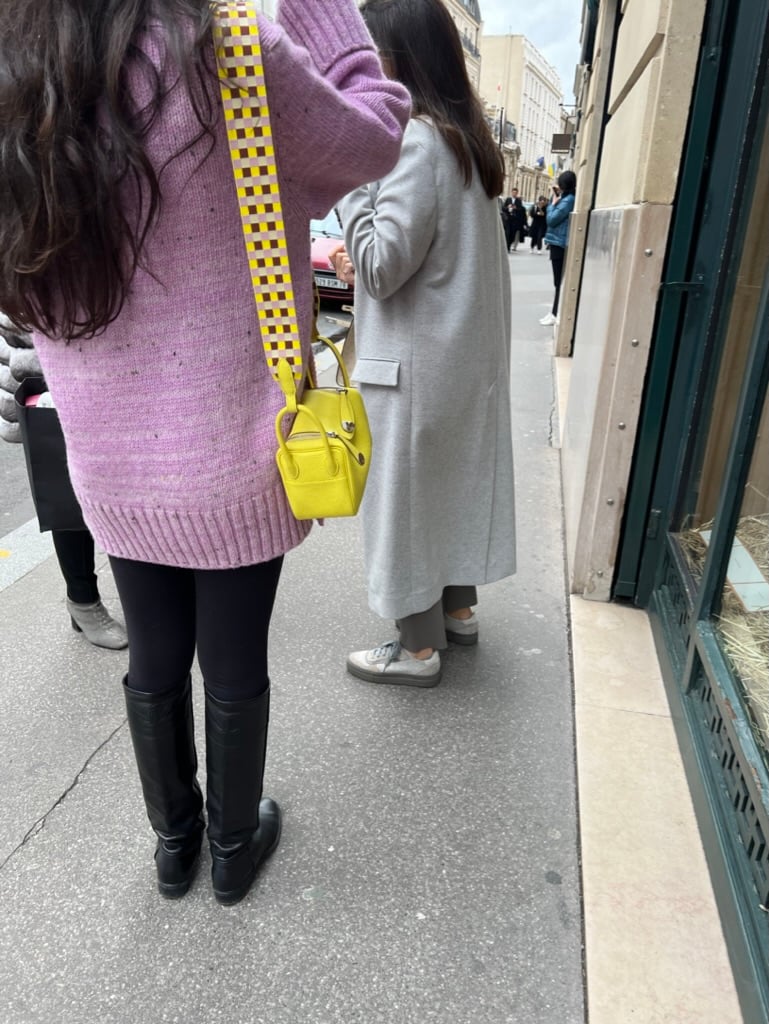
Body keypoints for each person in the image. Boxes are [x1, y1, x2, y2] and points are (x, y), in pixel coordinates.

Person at [0, 0, 410, 904]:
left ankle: (172, 843)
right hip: (233, 448)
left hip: (109, 457)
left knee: (152, 653)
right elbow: (375, 138)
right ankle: (230, 850)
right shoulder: (225, 48)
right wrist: (321, 13)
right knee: (232, 659)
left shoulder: (20, 68)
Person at [330, 0, 516, 688]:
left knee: (406, 503)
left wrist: (353, 184)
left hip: (412, 368)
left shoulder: (412, 142)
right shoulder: (468, 144)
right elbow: (430, 259)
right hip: (461, 360)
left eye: (368, 53)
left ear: (397, 60)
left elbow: (382, 265)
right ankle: (458, 611)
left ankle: (413, 648)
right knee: (452, 488)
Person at [0, 317, 128, 649]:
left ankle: (146, 596)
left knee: (127, 491)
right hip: (52, 361)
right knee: (66, 493)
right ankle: (83, 601)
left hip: (123, 362)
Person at [540, 171, 577, 326]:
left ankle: (555, 313)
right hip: (557, 242)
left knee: (558, 281)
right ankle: (554, 312)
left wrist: (552, 205)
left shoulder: (567, 200)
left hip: (559, 243)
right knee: (557, 281)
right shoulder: (566, 199)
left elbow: (551, 220)